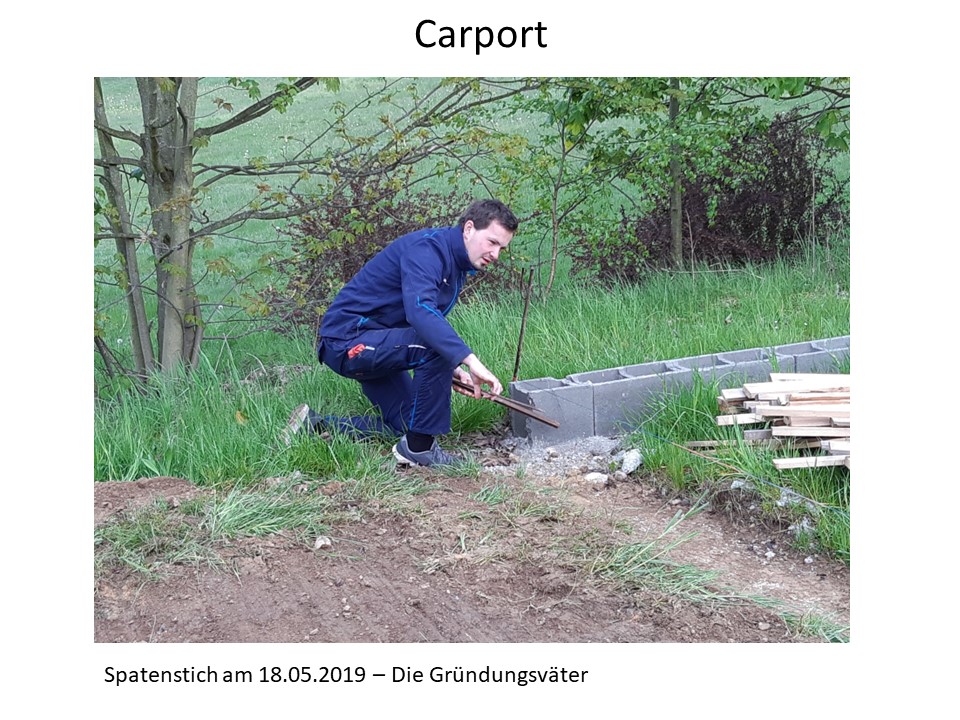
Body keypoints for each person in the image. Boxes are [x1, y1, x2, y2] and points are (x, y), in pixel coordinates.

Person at [283, 198, 519, 468]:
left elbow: (418, 323)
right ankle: (420, 450)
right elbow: (420, 312)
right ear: (468, 229)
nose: (495, 254)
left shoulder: (456, 264)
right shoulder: (428, 250)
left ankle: (314, 425)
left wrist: (449, 368)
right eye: (492, 242)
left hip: (379, 341)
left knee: (412, 423)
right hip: (347, 341)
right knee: (436, 354)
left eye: (502, 248)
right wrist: (468, 360)